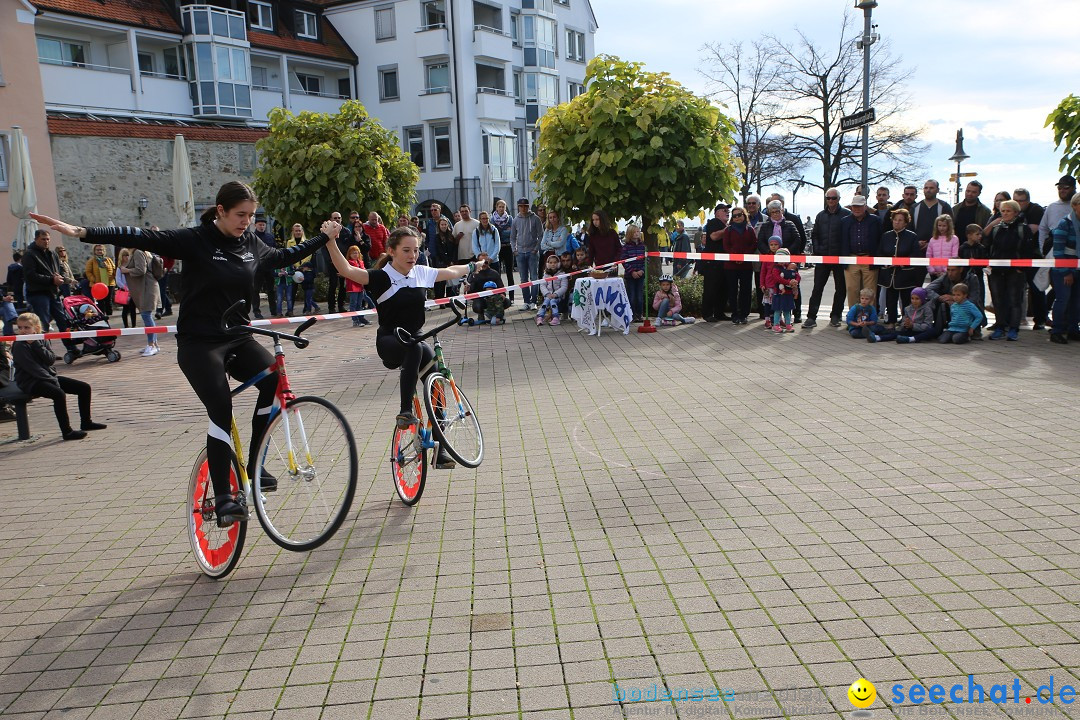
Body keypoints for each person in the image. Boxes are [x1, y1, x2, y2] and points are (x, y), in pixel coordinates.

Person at [32, 181, 336, 526]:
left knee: (273, 382)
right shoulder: (196, 240)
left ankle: (253, 463)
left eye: (251, 216)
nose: (246, 222)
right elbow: (142, 238)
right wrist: (82, 232)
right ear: (220, 211)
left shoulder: (251, 243)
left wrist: (323, 237)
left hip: (237, 337)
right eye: (240, 215)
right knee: (221, 407)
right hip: (199, 343)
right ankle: (223, 497)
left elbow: (282, 257)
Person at [322, 226, 482, 469]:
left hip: (414, 338)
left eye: (416, 250)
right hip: (389, 340)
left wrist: (472, 266)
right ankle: (405, 411)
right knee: (414, 348)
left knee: (436, 380)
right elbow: (346, 269)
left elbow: (450, 271)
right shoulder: (381, 277)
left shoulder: (420, 273)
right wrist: (330, 241)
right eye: (406, 250)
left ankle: (441, 449)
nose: (412, 255)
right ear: (391, 251)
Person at [11, 313, 107, 441]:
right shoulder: (19, 345)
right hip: (30, 381)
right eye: (20, 328)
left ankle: (86, 422)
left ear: (36, 328)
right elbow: (32, 368)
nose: (23, 331)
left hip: (46, 376)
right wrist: (52, 380)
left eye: (27, 328)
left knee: (83, 388)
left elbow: (50, 359)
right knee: (58, 394)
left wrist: (36, 344)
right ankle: (66, 432)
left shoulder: (42, 338)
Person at [986, 200, 1038, 341]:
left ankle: (1014, 329)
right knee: (998, 300)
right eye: (1003, 211)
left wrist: (1021, 269)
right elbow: (989, 247)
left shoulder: (1023, 229)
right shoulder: (996, 229)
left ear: (1016, 212)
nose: (1005, 213)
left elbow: (1028, 250)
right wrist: (989, 264)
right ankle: (1000, 327)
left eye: (1008, 211)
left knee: (1015, 300)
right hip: (997, 271)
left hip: (1015, 271)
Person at [21, 229, 79, 355]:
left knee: (63, 321)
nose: (46, 241)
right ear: (36, 239)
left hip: (53, 292)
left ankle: (71, 348)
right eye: (43, 239)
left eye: (48, 239)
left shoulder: (53, 254)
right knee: (42, 324)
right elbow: (30, 275)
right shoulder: (29, 254)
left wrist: (61, 278)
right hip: (38, 293)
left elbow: (60, 270)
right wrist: (51, 280)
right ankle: (44, 352)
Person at [804, 188, 851, 328]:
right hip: (822, 258)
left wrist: (844, 253)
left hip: (839, 258)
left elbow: (847, 236)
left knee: (840, 289)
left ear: (839, 199)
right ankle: (811, 317)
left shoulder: (846, 215)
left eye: (834, 198)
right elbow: (815, 235)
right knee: (817, 288)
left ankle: (835, 316)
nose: (831, 201)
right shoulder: (820, 216)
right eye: (828, 198)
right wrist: (818, 250)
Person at [877, 208, 924, 325]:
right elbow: (880, 252)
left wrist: (903, 262)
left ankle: (906, 322)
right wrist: (887, 262)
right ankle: (891, 321)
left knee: (906, 300)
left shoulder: (912, 236)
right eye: (895, 220)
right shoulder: (886, 236)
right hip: (889, 274)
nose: (897, 222)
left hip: (905, 275)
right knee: (890, 300)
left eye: (900, 220)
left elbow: (915, 254)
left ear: (905, 222)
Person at [840, 195, 883, 310]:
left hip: (869, 258)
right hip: (851, 258)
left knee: (870, 291)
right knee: (852, 289)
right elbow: (841, 240)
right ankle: (853, 317)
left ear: (865, 207)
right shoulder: (845, 221)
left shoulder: (875, 220)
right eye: (854, 206)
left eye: (859, 206)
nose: (856, 209)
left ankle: (870, 317)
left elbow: (880, 239)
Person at [1049, 192, 1080, 344]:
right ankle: (1056, 331)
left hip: (1078, 267)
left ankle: (1074, 330)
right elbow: (1058, 251)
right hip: (1063, 267)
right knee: (1063, 299)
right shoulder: (1064, 223)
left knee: (1077, 301)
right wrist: (1066, 272)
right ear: (1074, 206)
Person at [120, 248, 161, 357]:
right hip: (147, 287)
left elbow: (140, 270)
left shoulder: (138, 252)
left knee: (146, 315)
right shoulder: (142, 252)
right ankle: (154, 344)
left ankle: (152, 345)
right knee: (147, 316)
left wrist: (126, 270)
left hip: (147, 288)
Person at [722, 206, 757, 324]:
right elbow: (726, 246)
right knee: (732, 290)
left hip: (746, 265)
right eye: (734, 216)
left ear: (744, 215)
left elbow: (753, 244)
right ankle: (735, 314)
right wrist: (735, 257)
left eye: (739, 215)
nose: (737, 218)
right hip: (731, 265)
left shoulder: (750, 229)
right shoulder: (728, 230)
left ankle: (744, 314)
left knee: (745, 290)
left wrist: (744, 256)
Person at [867, 287, 936, 343]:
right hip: (909, 330)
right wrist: (906, 324)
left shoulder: (927, 309)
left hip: (921, 331)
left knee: (932, 331)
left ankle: (911, 339)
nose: (914, 301)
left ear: (922, 299)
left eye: (917, 299)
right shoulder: (908, 309)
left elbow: (928, 325)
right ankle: (877, 337)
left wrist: (913, 325)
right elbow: (903, 323)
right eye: (912, 298)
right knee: (895, 333)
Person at [510, 198, 543, 310]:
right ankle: (526, 301)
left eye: (525, 206)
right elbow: (512, 237)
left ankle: (533, 301)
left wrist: (535, 249)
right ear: (518, 207)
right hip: (520, 252)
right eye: (521, 206)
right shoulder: (515, 220)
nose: (523, 208)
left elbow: (541, 235)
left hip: (532, 252)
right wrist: (514, 250)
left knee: (534, 277)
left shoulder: (535, 219)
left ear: (528, 206)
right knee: (523, 278)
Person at [702, 203, 730, 321]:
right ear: (717, 213)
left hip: (724, 262)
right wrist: (728, 229)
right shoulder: (714, 222)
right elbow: (714, 236)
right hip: (712, 263)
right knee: (711, 288)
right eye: (724, 210)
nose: (727, 212)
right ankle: (707, 314)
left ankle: (719, 312)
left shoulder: (726, 225)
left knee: (723, 288)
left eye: (728, 210)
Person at [464, 254, 507, 325]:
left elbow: (501, 287)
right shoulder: (474, 274)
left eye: (485, 262)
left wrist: (502, 294)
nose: (483, 264)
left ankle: (496, 315)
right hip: (480, 299)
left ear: (489, 262)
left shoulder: (494, 273)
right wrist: (467, 289)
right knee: (478, 306)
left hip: (494, 298)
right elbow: (470, 290)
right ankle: (481, 314)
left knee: (506, 302)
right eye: (481, 262)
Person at [912, 180, 953, 250]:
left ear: (937, 190)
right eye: (926, 188)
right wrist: (916, 242)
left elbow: (950, 228)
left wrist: (932, 243)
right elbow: (910, 228)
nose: (928, 190)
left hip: (939, 249)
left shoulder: (944, 207)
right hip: (918, 248)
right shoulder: (915, 207)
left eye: (931, 188)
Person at [250, 218, 276, 319]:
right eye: (260, 225)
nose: (262, 227)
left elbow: (274, 250)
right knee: (255, 290)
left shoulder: (270, 237)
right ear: (255, 225)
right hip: (257, 267)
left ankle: (273, 311)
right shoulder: (252, 237)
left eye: (263, 225)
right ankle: (256, 311)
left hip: (269, 267)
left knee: (271, 290)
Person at [768, 250, 800, 333]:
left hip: (788, 293)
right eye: (779, 258)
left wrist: (796, 281)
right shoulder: (775, 268)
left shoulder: (789, 267)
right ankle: (776, 325)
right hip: (778, 292)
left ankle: (788, 325)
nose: (782, 261)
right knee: (777, 310)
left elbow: (797, 275)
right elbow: (777, 278)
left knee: (787, 310)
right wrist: (788, 282)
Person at [491, 199, 515, 302]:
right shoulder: (492, 220)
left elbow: (512, 234)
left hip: (508, 247)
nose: (501, 209)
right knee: (497, 273)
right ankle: (499, 296)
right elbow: (492, 235)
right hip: (497, 249)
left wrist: (506, 234)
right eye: (499, 207)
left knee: (510, 273)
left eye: (503, 207)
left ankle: (512, 297)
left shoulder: (510, 219)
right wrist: (505, 232)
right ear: (496, 208)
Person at [621, 224, 646, 321]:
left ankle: (639, 314)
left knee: (639, 296)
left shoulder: (643, 246)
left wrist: (642, 270)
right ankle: (631, 314)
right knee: (631, 296)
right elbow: (623, 260)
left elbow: (646, 260)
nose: (637, 233)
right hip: (630, 275)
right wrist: (632, 272)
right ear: (630, 234)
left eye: (638, 231)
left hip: (640, 274)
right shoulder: (626, 247)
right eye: (635, 232)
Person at [535, 253, 567, 326]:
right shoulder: (546, 274)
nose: (553, 264)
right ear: (548, 264)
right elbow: (542, 285)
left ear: (558, 264)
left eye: (555, 262)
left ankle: (556, 317)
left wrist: (556, 294)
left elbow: (564, 287)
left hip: (559, 296)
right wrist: (547, 294)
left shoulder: (562, 274)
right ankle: (540, 317)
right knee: (545, 302)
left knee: (553, 301)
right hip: (548, 295)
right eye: (551, 263)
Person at [84, 244, 116, 315]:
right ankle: (102, 315)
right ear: (94, 251)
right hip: (98, 285)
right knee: (101, 301)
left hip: (109, 283)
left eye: (101, 250)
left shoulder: (108, 260)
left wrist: (109, 270)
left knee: (109, 301)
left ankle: (109, 315)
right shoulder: (92, 261)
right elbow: (88, 272)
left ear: (104, 251)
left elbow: (114, 269)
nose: (99, 251)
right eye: (97, 250)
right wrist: (94, 279)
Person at [344, 245, 371, 327]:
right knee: (353, 304)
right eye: (353, 253)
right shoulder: (349, 263)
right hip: (353, 285)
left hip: (361, 285)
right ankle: (355, 320)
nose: (355, 255)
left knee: (360, 304)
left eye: (356, 253)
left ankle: (361, 318)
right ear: (350, 254)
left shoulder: (361, 262)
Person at [759, 236, 782, 329]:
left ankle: (778, 319)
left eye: (776, 244)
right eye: (771, 245)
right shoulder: (767, 257)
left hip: (779, 285)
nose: (773, 247)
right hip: (768, 285)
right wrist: (762, 284)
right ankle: (767, 320)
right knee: (768, 303)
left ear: (779, 245)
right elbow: (763, 272)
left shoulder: (782, 257)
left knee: (778, 303)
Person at [432, 216, 457, 299]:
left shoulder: (451, 235)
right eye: (442, 224)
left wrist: (452, 261)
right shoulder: (437, 237)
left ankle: (450, 299)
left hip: (451, 261)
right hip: (441, 262)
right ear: (439, 226)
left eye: (445, 224)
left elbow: (454, 249)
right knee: (441, 283)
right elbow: (439, 251)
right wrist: (447, 261)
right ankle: (441, 300)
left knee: (450, 281)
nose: (444, 226)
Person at [115, 249, 137, 329]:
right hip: (125, 291)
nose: (127, 257)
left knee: (133, 308)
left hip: (133, 290)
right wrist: (125, 288)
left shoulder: (131, 267)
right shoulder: (119, 268)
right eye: (125, 255)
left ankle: (134, 325)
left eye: (128, 255)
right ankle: (126, 325)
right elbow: (118, 280)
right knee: (125, 309)